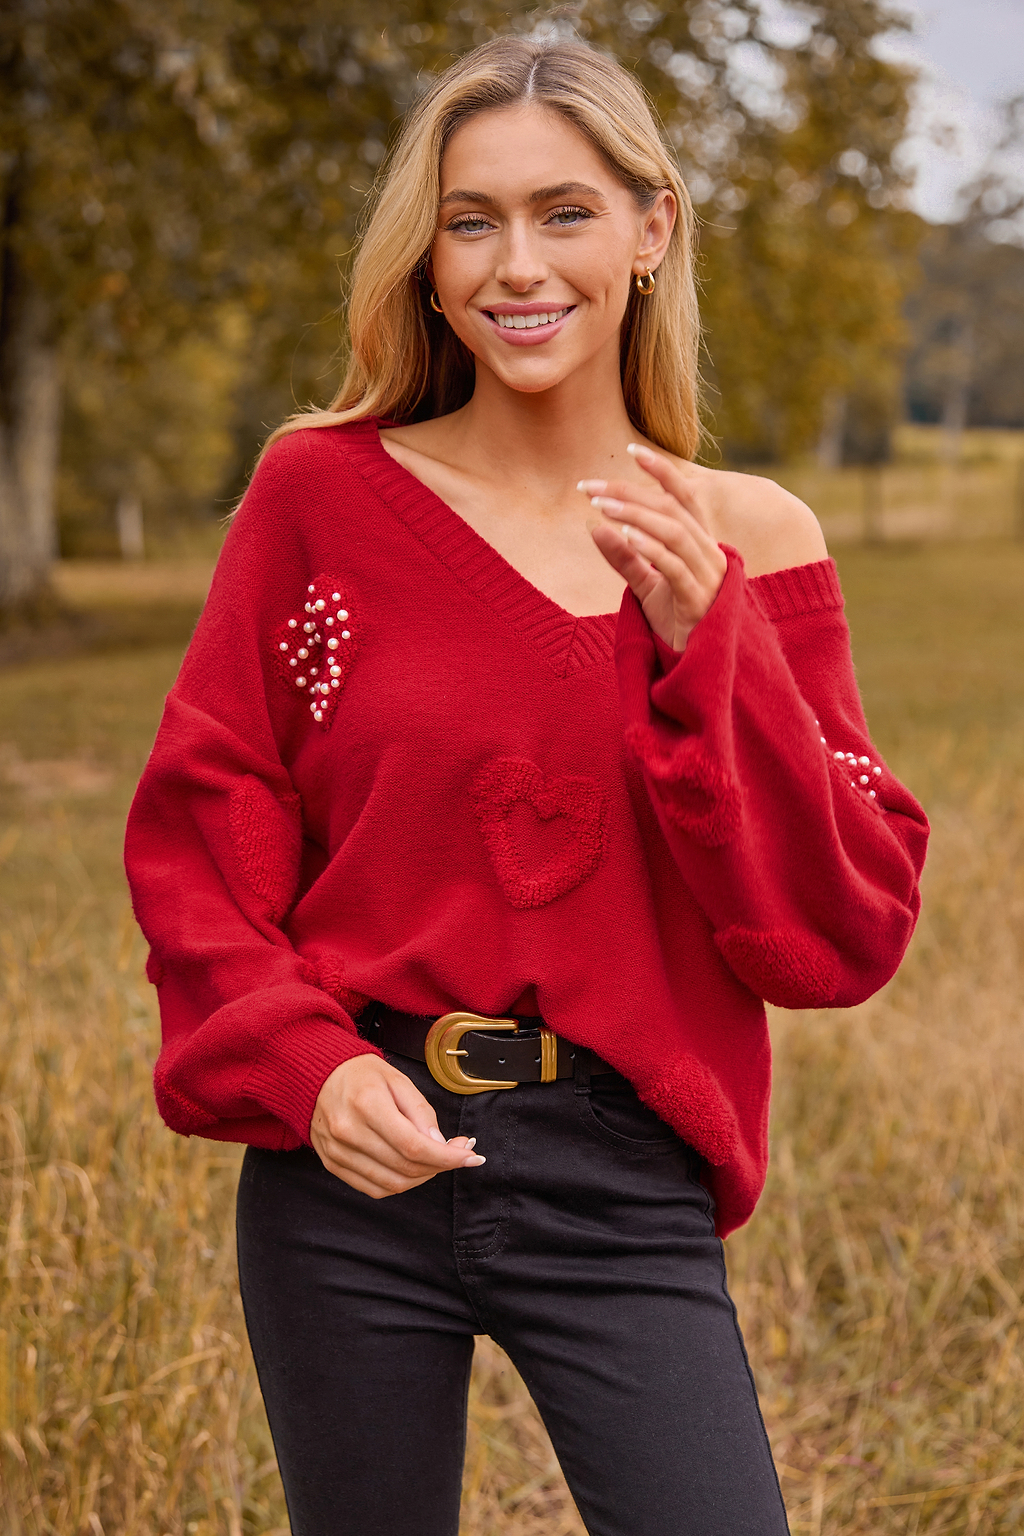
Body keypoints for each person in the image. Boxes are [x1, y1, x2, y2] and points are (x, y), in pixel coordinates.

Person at [124, 34, 929, 1536]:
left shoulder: (752, 535)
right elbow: (204, 825)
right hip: (348, 1158)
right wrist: (310, 1067)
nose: (516, 263)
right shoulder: (319, 498)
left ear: (651, 227)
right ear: (425, 260)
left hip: (624, 1169)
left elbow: (842, 932)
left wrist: (713, 651)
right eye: (469, 218)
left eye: (564, 211)